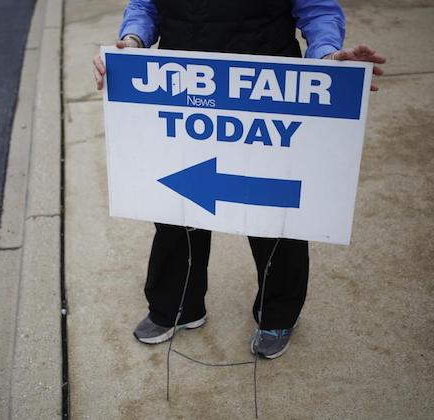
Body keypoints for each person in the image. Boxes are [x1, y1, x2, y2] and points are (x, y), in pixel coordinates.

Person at [93, 0, 385, 359]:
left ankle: (276, 314)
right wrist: (132, 42)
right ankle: (180, 307)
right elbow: (146, 5)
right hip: (183, 84)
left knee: (273, 212)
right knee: (176, 206)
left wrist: (327, 59)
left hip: (267, 87)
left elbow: (318, 9)